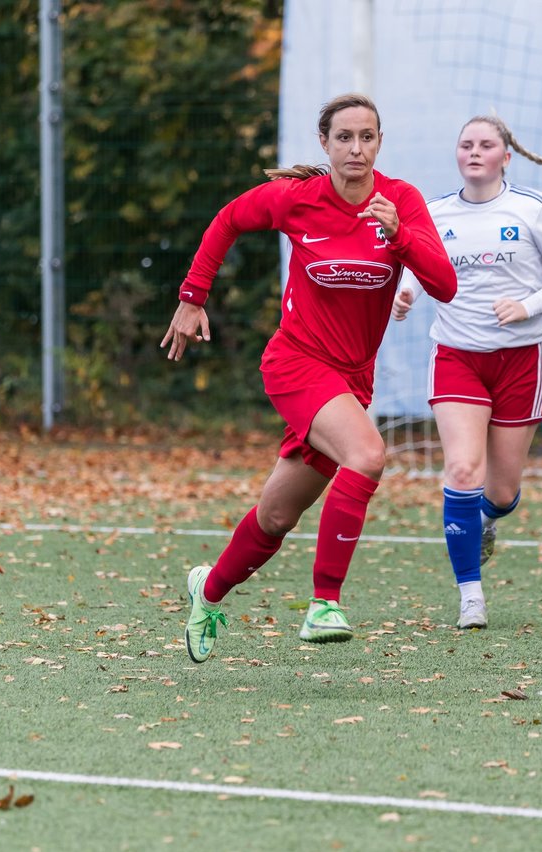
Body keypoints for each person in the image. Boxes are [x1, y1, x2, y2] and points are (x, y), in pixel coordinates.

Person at [161, 93, 458, 663]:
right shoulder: (298, 199)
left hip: (351, 382)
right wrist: (193, 297)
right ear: (324, 144)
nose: (356, 148)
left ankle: (208, 590)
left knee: (276, 516)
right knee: (368, 454)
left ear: (379, 144)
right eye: (343, 137)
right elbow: (227, 220)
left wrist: (401, 236)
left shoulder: (400, 202)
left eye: (366, 137)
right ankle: (325, 602)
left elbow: (444, 285)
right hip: (296, 364)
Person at [392, 114, 542, 629]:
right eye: (465, 145)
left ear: (506, 155)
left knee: (500, 492)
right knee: (461, 470)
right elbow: (415, 262)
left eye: (485, 145)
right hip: (457, 356)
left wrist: (529, 305)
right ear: (457, 155)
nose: (474, 152)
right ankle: (470, 597)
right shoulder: (433, 213)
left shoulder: (533, 208)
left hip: (522, 359)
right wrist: (406, 292)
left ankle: (485, 521)